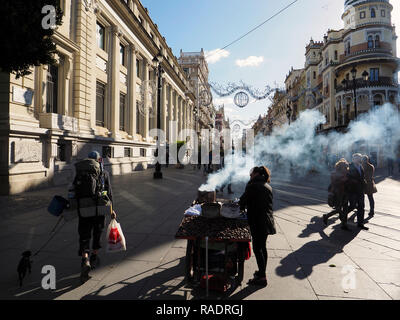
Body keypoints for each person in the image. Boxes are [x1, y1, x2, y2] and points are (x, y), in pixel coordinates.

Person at [73, 151, 116, 283]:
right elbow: (108, 193)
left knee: (84, 234)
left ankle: (85, 258)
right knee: (97, 233)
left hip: (84, 209)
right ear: (99, 160)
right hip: (99, 209)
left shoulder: (80, 172)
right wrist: (112, 209)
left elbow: (74, 189)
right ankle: (94, 257)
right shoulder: (104, 173)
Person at [239, 166, 276, 287]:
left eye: (251, 173)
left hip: (257, 221)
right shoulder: (267, 185)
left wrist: (239, 206)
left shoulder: (252, 185)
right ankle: (261, 272)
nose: (250, 175)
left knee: (257, 249)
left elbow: (242, 201)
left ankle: (262, 278)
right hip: (267, 221)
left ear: (256, 174)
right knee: (263, 248)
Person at [323, 158, 350, 230]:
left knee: (345, 209)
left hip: (345, 192)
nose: (346, 168)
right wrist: (343, 180)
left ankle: (344, 224)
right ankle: (326, 216)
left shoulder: (346, 173)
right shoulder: (334, 173)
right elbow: (334, 183)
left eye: (346, 167)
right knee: (338, 209)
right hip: (338, 193)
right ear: (340, 167)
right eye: (345, 167)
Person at [347, 153, 368, 230]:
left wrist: (364, 182)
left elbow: (362, 176)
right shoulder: (349, 166)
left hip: (360, 191)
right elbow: (348, 178)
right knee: (352, 206)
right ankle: (343, 215)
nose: (359, 160)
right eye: (358, 158)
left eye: (360, 158)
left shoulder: (360, 166)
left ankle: (360, 223)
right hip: (353, 191)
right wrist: (357, 181)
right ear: (353, 159)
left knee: (361, 207)